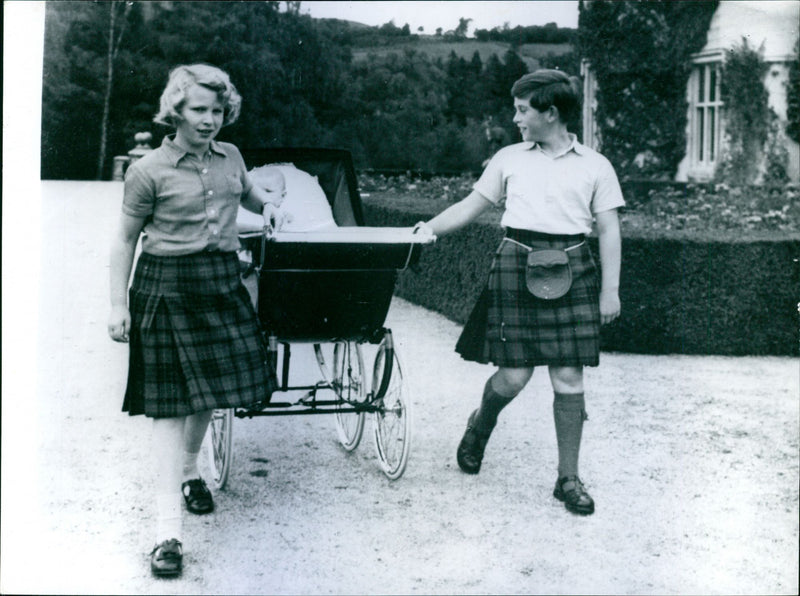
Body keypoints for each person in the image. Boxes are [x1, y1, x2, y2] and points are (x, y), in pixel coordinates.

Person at [417, 69, 623, 516]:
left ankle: (567, 478)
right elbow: (472, 206)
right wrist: (427, 230)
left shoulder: (595, 165)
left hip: (573, 266)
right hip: (516, 262)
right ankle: (481, 423)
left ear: (551, 113)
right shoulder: (509, 158)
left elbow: (608, 228)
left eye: (523, 109)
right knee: (514, 377)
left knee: (569, 376)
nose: (516, 118)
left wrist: (611, 291)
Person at [107, 64, 285, 577]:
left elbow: (246, 193)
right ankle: (167, 532)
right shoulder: (148, 170)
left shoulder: (231, 156)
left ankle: (191, 471)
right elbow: (123, 241)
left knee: (209, 394)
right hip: (165, 287)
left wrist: (268, 202)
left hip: (220, 282)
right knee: (168, 408)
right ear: (176, 112)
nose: (210, 120)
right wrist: (117, 305)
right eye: (199, 110)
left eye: (217, 110)